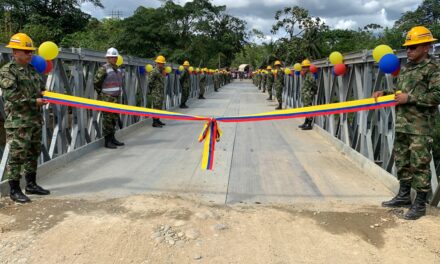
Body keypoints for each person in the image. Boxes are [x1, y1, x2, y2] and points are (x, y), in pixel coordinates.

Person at [373, 26, 440, 220]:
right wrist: (385, 93)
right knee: (402, 161)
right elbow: (398, 92)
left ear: (426, 47)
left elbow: (436, 95)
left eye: (413, 47)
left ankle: (419, 204)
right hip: (403, 124)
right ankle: (403, 196)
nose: (408, 51)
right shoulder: (408, 67)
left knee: (419, 164)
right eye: (408, 47)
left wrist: (409, 98)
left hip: (420, 127)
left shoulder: (433, 68)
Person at [0, 33, 50, 203]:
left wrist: (45, 95)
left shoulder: (32, 70)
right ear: (15, 52)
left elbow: (40, 89)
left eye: (30, 51)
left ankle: (31, 184)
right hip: (19, 122)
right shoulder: (8, 71)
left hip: (34, 120)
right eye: (26, 51)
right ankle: (14, 189)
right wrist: (34, 101)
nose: (30, 54)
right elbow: (11, 97)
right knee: (17, 156)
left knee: (33, 153)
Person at [93, 47, 125, 149]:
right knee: (107, 120)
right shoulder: (104, 69)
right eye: (112, 57)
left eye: (115, 57)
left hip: (116, 98)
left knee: (114, 119)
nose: (114, 59)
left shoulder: (118, 69)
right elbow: (96, 82)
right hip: (107, 98)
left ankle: (113, 138)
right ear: (107, 58)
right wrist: (101, 94)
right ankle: (107, 141)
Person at [299, 59, 318, 130]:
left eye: (304, 67)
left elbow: (314, 85)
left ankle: (309, 124)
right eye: (302, 67)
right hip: (305, 94)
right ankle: (306, 122)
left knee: (309, 109)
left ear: (308, 67)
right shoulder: (306, 75)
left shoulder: (310, 75)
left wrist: (313, 92)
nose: (303, 68)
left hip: (308, 94)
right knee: (306, 108)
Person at [148, 55, 167, 127]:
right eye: (162, 63)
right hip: (156, 92)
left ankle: (158, 120)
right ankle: (154, 122)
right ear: (158, 63)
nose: (163, 65)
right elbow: (150, 82)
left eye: (163, 63)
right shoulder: (154, 71)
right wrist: (152, 90)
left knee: (159, 106)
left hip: (160, 92)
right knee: (156, 107)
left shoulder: (160, 71)